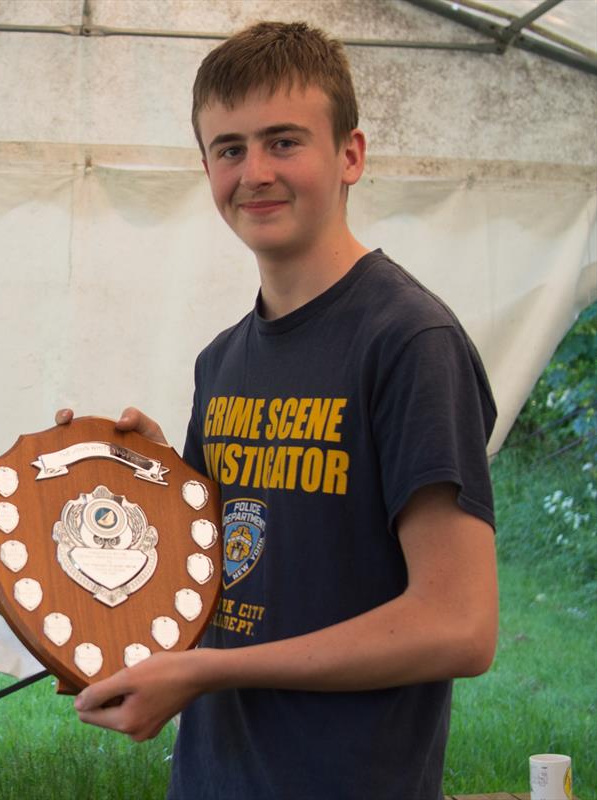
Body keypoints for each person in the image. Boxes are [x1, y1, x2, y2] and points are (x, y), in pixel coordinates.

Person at [58, 21, 498, 800]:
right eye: (229, 149)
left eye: (284, 141)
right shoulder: (222, 361)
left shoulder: (407, 341)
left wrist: (208, 671)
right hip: (213, 778)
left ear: (350, 154)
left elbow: (458, 624)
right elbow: (221, 569)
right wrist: (145, 483)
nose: (254, 172)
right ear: (206, 168)